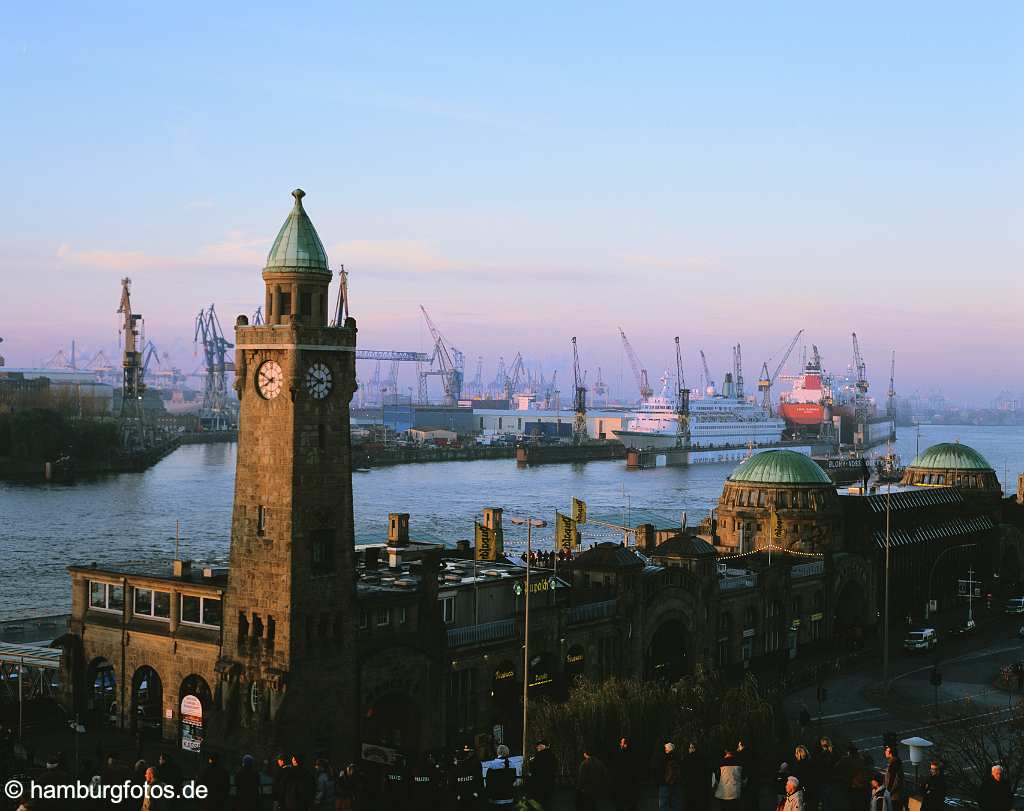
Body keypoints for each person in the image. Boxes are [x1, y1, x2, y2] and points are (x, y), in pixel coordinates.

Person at [611, 736, 641, 811]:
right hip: (624, 782)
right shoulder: (628, 754)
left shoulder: (624, 754)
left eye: (623, 743)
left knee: (624, 803)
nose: (621, 744)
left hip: (626, 782)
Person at [451, 744, 484, 810]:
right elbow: (453, 782)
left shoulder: (476, 763)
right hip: (463, 793)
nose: (468, 753)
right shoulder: (458, 764)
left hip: (472, 793)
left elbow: (479, 779)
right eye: (466, 752)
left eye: (469, 751)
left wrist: (477, 792)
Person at [682, 742, 712, 811]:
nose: (690, 749)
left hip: (691, 787)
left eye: (691, 747)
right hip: (701, 787)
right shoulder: (704, 759)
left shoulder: (687, 758)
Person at [528, 740, 556, 808]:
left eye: (539, 746)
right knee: (548, 802)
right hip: (549, 782)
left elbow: (533, 770)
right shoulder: (552, 756)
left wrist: (531, 762)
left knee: (539, 803)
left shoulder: (538, 756)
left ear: (544, 746)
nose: (538, 747)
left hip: (539, 784)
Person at [714, 746, 743, 811]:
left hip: (724, 793)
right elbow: (743, 778)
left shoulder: (720, 762)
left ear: (725, 751)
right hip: (735, 793)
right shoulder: (739, 762)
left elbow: (716, 778)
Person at [657, 742, 683, 811]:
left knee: (664, 805)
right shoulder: (678, 758)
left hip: (664, 784)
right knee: (676, 804)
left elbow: (659, 770)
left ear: (667, 750)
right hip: (676, 783)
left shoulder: (663, 758)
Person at [793, 746, 817, 811]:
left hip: (802, 791)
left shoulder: (798, 765)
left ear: (798, 754)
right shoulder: (811, 763)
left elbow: (797, 779)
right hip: (811, 790)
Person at [883, 746, 904, 811]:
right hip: (894, 794)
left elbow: (896, 779)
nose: (885, 752)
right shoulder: (894, 761)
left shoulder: (894, 763)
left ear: (890, 753)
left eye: (886, 750)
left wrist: (889, 791)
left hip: (894, 796)